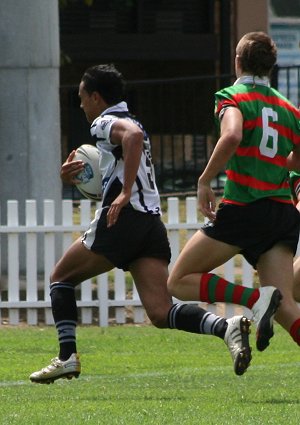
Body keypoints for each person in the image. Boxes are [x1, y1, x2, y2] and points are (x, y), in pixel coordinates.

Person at [29, 64, 266, 384]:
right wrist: (84, 178)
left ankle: (66, 357)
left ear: (96, 98)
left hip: (123, 220)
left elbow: (132, 139)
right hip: (150, 224)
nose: (81, 104)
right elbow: (127, 151)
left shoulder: (104, 122)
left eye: (82, 97)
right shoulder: (132, 118)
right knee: (160, 311)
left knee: (60, 278)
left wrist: (124, 192)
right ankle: (227, 327)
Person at [167, 32, 300, 353]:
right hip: (282, 215)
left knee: (178, 280)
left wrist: (204, 180)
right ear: (271, 67)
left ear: (238, 62)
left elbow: (232, 136)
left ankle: (255, 299)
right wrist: (278, 167)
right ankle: (265, 300)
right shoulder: (288, 109)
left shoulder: (233, 97)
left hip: (244, 208)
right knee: (287, 307)